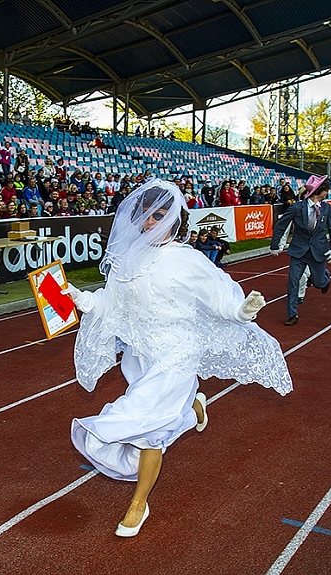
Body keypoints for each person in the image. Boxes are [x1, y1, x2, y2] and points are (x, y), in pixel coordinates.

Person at [62, 179, 292, 537]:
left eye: (159, 215)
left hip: (178, 354)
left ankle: (139, 503)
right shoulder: (129, 260)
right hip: (140, 356)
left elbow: (221, 296)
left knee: (148, 429)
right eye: (146, 216)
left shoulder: (189, 259)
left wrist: (241, 310)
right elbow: (112, 304)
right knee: (153, 417)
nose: (150, 222)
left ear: (175, 219)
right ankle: (192, 409)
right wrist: (83, 299)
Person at [270, 175, 331, 326]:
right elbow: (281, 225)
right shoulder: (296, 208)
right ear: (319, 191)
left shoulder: (327, 208)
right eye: (325, 190)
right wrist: (275, 245)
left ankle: (325, 278)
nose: (326, 193)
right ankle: (292, 314)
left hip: (318, 252)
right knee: (293, 282)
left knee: (319, 282)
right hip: (298, 251)